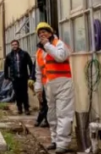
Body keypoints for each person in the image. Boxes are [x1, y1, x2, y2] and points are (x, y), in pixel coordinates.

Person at [33, 22, 74, 153]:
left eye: (44, 32)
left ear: (50, 33)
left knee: (63, 113)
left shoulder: (59, 44)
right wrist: (38, 88)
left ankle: (63, 143)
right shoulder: (39, 51)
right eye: (40, 33)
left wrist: (47, 45)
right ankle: (55, 139)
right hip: (49, 85)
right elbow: (38, 72)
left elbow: (60, 57)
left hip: (63, 83)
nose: (42, 35)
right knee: (52, 114)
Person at [4, 39, 34, 115]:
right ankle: (19, 108)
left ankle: (26, 109)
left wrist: (31, 75)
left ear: (18, 45)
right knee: (17, 94)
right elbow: (6, 67)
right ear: (11, 46)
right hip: (14, 78)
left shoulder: (24, 54)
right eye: (13, 45)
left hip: (23, 77)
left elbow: (30, 64)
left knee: (24, 93)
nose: (14, 46)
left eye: (15, 44)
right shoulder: (9, 56)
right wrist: (6, 76)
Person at [34, 42, 49, 128]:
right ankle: (42, 119)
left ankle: (43, 120)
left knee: (48, 104)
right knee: (44, 103)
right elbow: (37, 70)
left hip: (54, 82)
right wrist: (38, 86)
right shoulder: (39, 52)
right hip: (45, 82)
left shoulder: (54, 50)